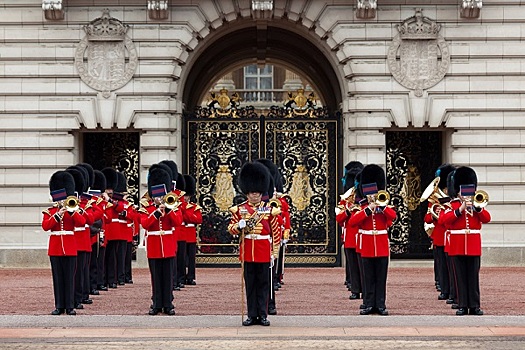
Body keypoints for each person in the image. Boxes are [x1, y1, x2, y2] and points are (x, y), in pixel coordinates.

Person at [228, 162, 281, 326]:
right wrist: (239, 226)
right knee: (250, 285)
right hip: (248, 252)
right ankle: (252, 314)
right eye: (252, 193)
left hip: (264, 251)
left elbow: (276, 233)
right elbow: (231, 229)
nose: (255, 196)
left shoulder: (269, 210)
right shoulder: (239, 210)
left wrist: (274, 253)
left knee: (264, 285)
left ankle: (263, 314)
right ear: (247, 193)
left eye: (257, 193)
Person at [439, 166, 491, 316]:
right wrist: (460, 209)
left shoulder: (477, 205)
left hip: (473, 245)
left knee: (473, 277)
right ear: (458, 190)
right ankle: (462, 304)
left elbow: (487, 219)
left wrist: (477, 209)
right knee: (460, 277)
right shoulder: (452, 205)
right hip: (457, 245)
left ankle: (474, 305)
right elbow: (444, 220)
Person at [349, 164, 396, 316]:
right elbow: (353, 222)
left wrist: (381, 207)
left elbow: (392, 217)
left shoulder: (384, 205)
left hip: (381, 246)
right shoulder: (361, 206)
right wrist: (369, 208)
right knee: (368, 277)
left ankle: (380, 304)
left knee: (381, 277)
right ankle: (369, 303)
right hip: (367, 246)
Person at [139, 166, 183, 315]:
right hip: (154, 245)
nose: (158, 198)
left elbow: (177, 222)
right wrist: (157, 213)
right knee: (156, 276)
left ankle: (168, 303)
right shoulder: (146, 207)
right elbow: (144, 224)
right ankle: (156, 303)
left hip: (168, 245)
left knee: (168, 276)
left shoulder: (173, 205)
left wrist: (168, 210)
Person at [42, 171, 86, 315]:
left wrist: (71, 212)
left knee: (69, 277)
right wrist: (57, 215)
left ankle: (70, 306)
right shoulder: (49, 212)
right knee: (58, 278)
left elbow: (82, 222)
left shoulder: (72, 210)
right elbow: (46, 226)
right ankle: (59, 306)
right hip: (55, 248)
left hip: (70, 247)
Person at [423, 164, 456, 303]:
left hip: (452, 238)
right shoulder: (436, 199)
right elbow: (427, 218)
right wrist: (435, 213)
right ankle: (444, 289)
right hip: (440, 236)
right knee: (442, 266)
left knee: (452, 267)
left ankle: (453, 290)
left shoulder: (455, 200)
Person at [336, 161, 364, 300]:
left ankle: (364, 289)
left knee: (363, 267)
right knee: (352, 266)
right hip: (350, 238)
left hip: (362, 237)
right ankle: (355, 289)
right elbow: (339, 218)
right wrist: (348, 210)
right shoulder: (345, 201)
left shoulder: (365, 201)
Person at [181, 174, 203, 285]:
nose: (185, 197)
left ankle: (191, 276)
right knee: (182, 258)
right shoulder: (180, 206)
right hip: (182, 234)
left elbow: (198, 219)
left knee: (191, 259)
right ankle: (182, 276)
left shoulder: (194, 207)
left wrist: (186, 213)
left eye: (187, 195)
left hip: (190, 235)